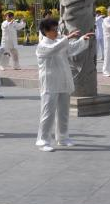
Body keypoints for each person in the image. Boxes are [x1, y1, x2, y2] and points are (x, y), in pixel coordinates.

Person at [35, 18, 94, 151]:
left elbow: (71, 49)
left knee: (63, 111)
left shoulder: (59, 42)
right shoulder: (42, 46)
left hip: (63, 80)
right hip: (50, 83)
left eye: (57, 29)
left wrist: (82, 40)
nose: (56, 32)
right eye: (53, 30)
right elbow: (54, 49)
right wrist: (67, 37)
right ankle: (43, 140)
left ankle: (63, 137)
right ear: (45, 31)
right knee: (48, 113)